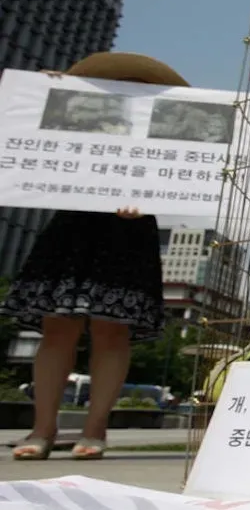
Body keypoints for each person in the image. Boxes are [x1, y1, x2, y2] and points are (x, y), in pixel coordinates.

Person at [5, 52, 183, 460]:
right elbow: (30, 134)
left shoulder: (167, 124)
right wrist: (46, 92)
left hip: (128, 228)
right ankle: (42, 428)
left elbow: (177, 173)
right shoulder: (74, 111)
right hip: (74, 220)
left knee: (111, 329)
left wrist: (147, 195)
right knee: (57, 326)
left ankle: (95, 427)